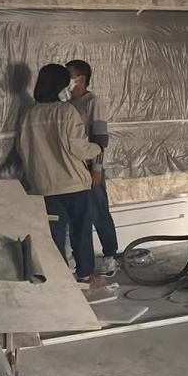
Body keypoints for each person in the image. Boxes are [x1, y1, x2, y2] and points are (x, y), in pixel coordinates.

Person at [17, 64, 103, 283]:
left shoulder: (29, 115)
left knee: (53, 236)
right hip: (73, 185)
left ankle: (60, 280)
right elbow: (79, 148)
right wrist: (98, 147)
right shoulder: (66, 111)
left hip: (43, 187)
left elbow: (22, 149)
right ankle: (85, 275)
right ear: (60, 84)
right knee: (80, 231)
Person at [65, 59, 119, 276]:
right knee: (79, 215)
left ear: (81, 78)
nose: (67, 80)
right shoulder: (67, 105)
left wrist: (97, 167)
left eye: (70, 75)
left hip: (90, 166)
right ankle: (79, 260)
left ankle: (110, 255)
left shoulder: (92, 102)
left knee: (99, 211)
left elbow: (100, 138)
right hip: (74, 168)